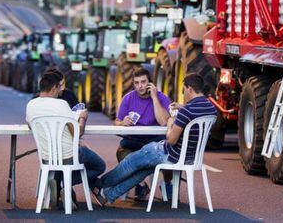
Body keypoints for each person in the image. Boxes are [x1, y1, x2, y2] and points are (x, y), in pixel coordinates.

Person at [92, 73, 217, 205]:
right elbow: (193, 113)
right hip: (191, 157)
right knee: (141, 172)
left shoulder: (185, 112)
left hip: (168, 154)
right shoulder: (210, 109)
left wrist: (170, 123)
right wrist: (182, 107)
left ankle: (98, 184)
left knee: (130, 162)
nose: (183, 93)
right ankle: (107, 195)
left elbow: (171, 140)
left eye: (184, 90)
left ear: (190, 89)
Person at [26, 70, 105, 209]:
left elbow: (31, 126)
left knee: (77, 155)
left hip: (46, 157)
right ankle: (65, 182)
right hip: (69, 155)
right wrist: (82, 119)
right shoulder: (61, 104)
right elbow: (77, 133)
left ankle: (58, 182)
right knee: (99, 166)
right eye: (59, 87)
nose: (60, 91)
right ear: (54, 88)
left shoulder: (31, 105)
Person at [114, 67, 171, 201]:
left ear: (150, 82)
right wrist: (122, 122)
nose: (140, 86)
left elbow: (164, 122)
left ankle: (168, 185)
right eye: (137, 83)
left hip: (156, 141)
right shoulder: (128, 98)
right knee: (121, 151)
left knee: (171, 153)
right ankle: (140, 184)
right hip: (134, 139)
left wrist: (154, 97)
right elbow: (116, 121)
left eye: (143, 82)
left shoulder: (161, 97)